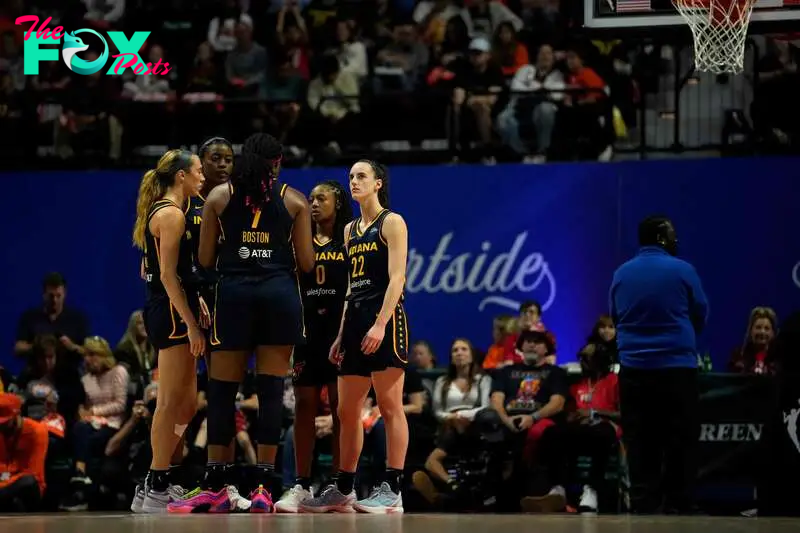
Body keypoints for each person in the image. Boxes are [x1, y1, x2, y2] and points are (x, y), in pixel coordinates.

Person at [172, 133, 314, 514]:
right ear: (278, 162)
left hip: (234, 299)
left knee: (221, 393)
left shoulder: (219, 198)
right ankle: (265, 487)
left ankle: (217, 483)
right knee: (269, 393)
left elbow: (204, 260)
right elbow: (306, 263)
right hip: (278, 299)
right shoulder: (295, 200)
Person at [301, 160, 409, 514]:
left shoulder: (391, 222)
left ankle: (392, 488)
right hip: (355, 321)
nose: (354, 181)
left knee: (390, 407)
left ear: (378, 183)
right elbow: (351, 285)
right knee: (346, 411)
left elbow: (397, 279)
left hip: (386, 319)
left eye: (361, 176)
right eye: (350, 177)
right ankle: (344, 486)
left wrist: (380, 324)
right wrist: (341, 333)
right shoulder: (349, 230)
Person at [609, 215, 709, 514]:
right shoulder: (683, 270)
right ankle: (679, 502)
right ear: (662, 237)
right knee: (680, 436)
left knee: (640, 438)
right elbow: (700, 312)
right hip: (677, 368)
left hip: (634, 370)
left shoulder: (621, 274)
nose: (676, 239)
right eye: (672, 234)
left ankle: (643, 503)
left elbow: (615, 315)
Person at [130, 149, 208, 513]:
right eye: (197, 172)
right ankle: (156, 479)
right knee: (167, 403)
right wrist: (191, 323)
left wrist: (196, 301)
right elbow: (166, 276)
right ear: (181, 176)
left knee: (188, 403)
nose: (202, 178)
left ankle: (159, 477)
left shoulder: (165, 210)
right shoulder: (172, 214)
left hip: (175, 306)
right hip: (171, 312)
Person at [276, 180, 353, 513]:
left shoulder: (350, 237)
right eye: (311, 199)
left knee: (341, 409)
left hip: (339, 332)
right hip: (307, 331)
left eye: (322, 198)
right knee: (304, 404)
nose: (315, 203)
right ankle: (301, 484)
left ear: (338, 202)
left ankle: (340, 484)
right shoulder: (299, 239)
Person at [0, 393, 49, 513]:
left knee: (27, 482)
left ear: (17, 415)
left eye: (5, 423)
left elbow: (33, 473)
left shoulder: (37, 431)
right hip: (3, 483)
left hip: (24, 485)